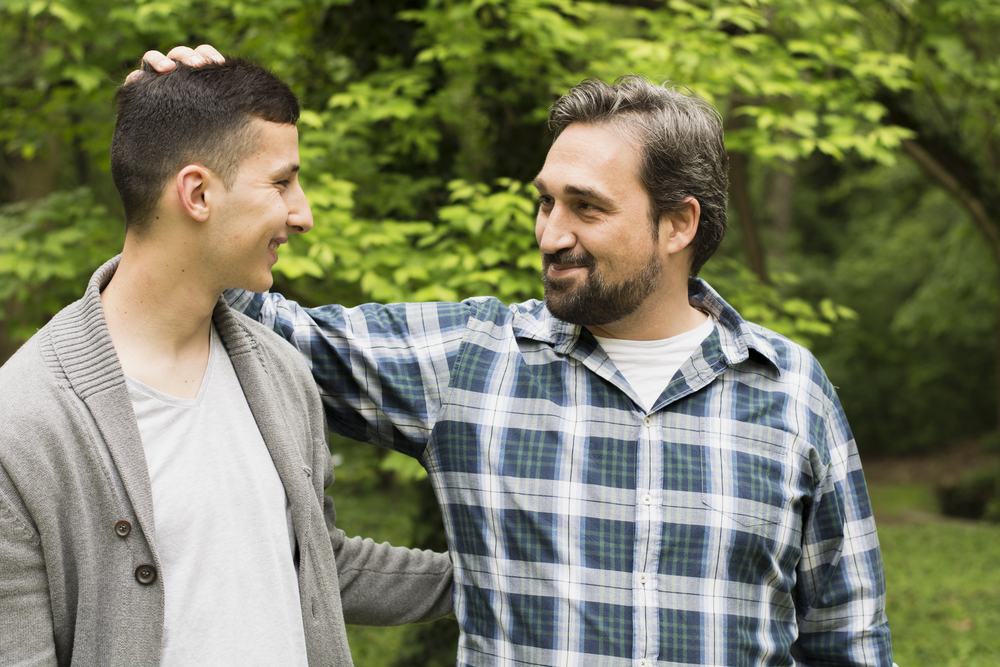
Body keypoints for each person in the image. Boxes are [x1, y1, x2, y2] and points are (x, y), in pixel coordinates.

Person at [142, 47, 894, 666]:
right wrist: (178, 143)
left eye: (586, 207)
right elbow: (250, 316)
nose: (550, 234)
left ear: (678, 224)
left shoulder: (790, 392)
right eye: (546, 201)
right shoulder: (472, 362)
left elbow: (850, 643)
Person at [0, 57, 454, 667]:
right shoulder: (23, 424)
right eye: (281, 183)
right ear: (197, 193)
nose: (303, 214)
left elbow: (317, 561)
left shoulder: (281, 373)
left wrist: (495, 573)